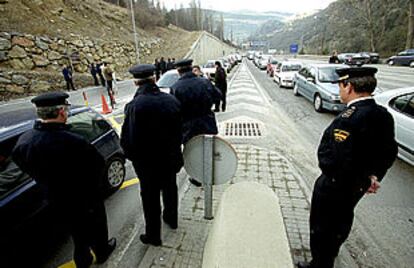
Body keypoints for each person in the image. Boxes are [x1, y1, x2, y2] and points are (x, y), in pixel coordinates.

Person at [297, 67, 398, 268]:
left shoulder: (349, 118)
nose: (340, 90)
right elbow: (389, 151)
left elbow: (337, 159)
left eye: (340, 85)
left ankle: (320, 265)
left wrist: (355, 177)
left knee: (322, 228)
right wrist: (373, 177)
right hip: (356, 187)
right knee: (341, 224)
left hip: (335, 186)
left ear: (349, 86)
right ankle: (328, 258)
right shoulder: (383, 114)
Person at [12, 92, 116, 268]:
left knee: (76, 233)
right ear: (61, 112)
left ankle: (83, 261)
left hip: (55, 199)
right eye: (66, 110)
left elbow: (23, 164)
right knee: (96, 227)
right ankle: (102, 251)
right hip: (85, 198)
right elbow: (97, 165)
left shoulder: (25, 141)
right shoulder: (74, 141)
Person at [121, 64, 183, 247]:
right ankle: (172, 220)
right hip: (170, 158)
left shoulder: (134, 106)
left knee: (150, 198)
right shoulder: (172, 101)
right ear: (154, 79)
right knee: (170, 189)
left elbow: (127, 140)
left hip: (147, 164)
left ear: (135, 83)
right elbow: (180, 131)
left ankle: (153, 235)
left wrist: (135, 158)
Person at [171, 59, 219, 187]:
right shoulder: (204, 82)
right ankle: (210, 174)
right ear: (191, 68)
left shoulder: (176, 88)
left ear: (178, 71)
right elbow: (218, 96)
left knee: (192, 153)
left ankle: (197, 178)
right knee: (208, 150)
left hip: (188, 127)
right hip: (207, 122)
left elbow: (174, 110)